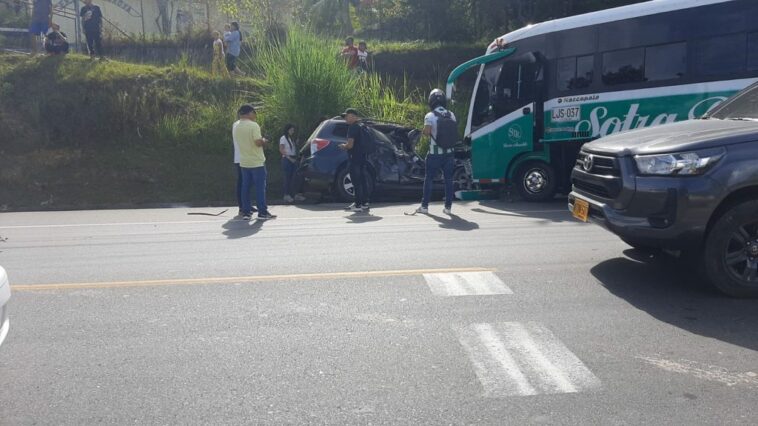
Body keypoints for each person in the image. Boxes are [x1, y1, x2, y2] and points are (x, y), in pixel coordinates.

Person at [415, 89, 456, 215]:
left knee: (429, 179)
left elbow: (427, 132)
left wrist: (424, 131)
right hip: (449, 153)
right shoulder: (451, 114)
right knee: (449, 180)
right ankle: (448, 208)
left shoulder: (430, 115)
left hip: (434, 154)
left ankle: (425, 206)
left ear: (431, 101)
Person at [233, 104, 275, 221]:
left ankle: (246, 212)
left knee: (245, 187)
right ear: (250, 113)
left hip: (244, 161)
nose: (255, 116)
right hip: (256, 161)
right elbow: (257, 142)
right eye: (254, 113)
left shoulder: (236, 126)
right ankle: (262, 212)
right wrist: (264, 140)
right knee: (260, 188)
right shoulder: (253, 125)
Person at [338, 108, 369, 212]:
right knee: (363, 180)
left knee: (356, 181)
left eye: (347, 116)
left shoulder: (352, 127)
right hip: (363, 157)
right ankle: (364, 203)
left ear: (353, 116)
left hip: (354, 158)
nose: (345, 118)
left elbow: (350, 145)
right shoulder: (362, 126)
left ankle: (358, 205)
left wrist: (343, 146)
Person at [278, 124, 306, 203]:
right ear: (288, 130)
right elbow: (281, 149)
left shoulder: (291, 139)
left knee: (295, 177)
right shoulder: (283, 138)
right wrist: (289, 158)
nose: (293, 131)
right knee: (287, 177)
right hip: (287, 159)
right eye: (291, 130)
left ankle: (295, 194)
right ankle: (286, 195)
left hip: (293, 158)